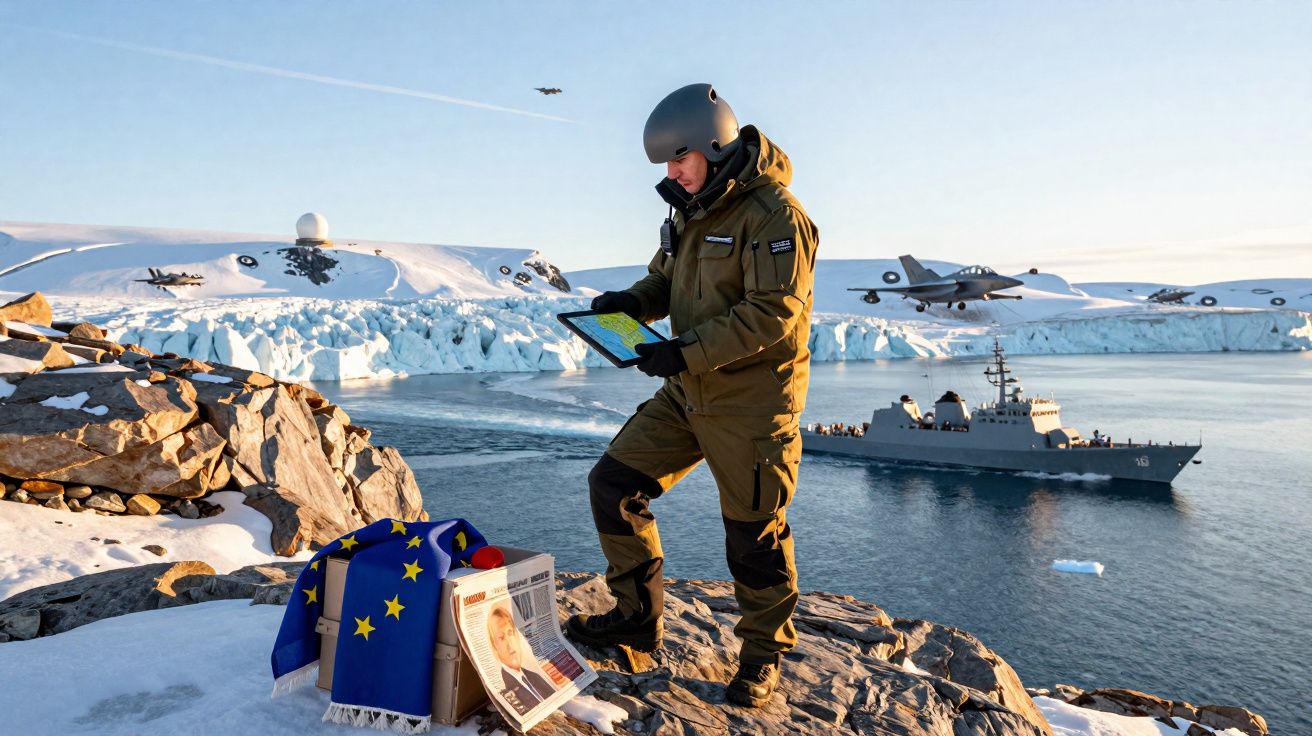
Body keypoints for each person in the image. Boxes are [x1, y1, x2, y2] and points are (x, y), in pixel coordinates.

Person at [564, 83, 818, 709]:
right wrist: (633, 302)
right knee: (614, 484)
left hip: (751, 402)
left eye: (679, 158)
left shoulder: (775, 215)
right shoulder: (691, 209)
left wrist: (683, 351)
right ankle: (635, 617)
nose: (672, 173)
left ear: (714, 143)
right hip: (688, 389)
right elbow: (665, 278)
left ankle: (761, 657)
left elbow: (772, 312)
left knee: (754, 535)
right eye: (666, 163)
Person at [487, 603, 554, 715]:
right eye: (501, 638)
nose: (509, 644)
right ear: (494, 646)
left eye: (510, 633)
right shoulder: (504, 686)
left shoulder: (534, 675)